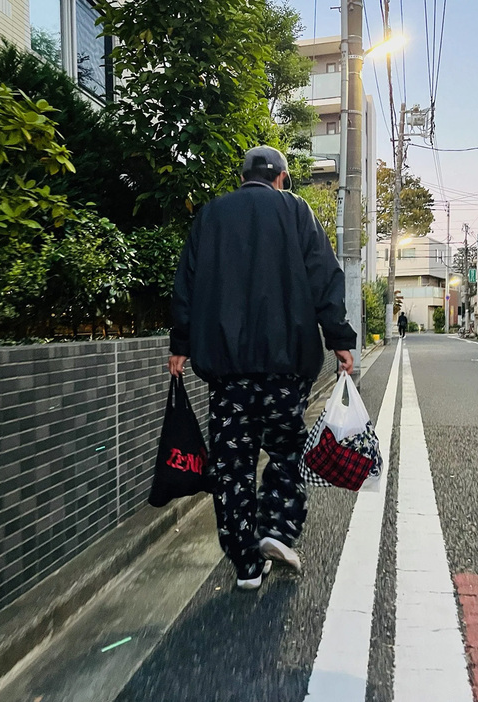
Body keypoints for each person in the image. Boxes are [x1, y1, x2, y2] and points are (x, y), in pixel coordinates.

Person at [168, 145, 356, 590]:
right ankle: (276, 529)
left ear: (243, 177)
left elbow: (186, 283)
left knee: (232, 467)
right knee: (287, 451)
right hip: (284, 369)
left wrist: (180, 343)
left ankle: (246, 565)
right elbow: (324, 276)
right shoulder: (296, 212)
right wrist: (340, 339)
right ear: (282, 178)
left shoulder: (211, 216)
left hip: (228, 374)